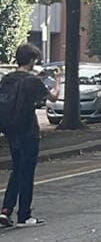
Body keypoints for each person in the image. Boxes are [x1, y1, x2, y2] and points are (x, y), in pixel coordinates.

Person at [0, 44, 60, 227]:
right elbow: (53, 97)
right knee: (27, 172)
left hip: (11, 129)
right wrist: (58, 80)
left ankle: (6, 210)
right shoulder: (32, 81)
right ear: (32, 60)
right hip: (28, 130)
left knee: (17, 169)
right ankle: (24, 215)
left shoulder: (8, 79)